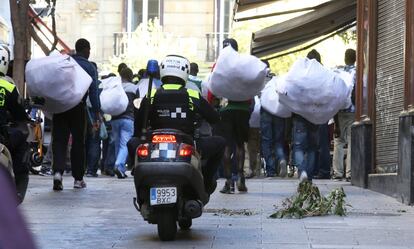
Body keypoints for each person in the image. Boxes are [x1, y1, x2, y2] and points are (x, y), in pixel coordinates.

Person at [134, 55, 225, 194]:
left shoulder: (151, 94)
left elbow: (139, 124)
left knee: (131, 143)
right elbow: (214, 118)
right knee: (220, 143)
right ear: (185, 72)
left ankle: (138, 176)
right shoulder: (192, 94)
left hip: (154, 146)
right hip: (186, 143)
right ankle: (206, 181)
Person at [51, 38, 100, 190]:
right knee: (78, 143)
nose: (90, 53)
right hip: (78, 107)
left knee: (59, 140)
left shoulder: (66, 62)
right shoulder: (89, 67)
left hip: (61, 106)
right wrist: (97, 113)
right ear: (85, 50)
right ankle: (78, 179)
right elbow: (94, 92)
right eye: (89, 50)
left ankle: (58, 173)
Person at [216, 38, 251, 194]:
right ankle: (241, 178)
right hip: (243, 109)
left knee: (226, 146)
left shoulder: (219, 65)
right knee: (240, 145)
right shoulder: (243, 64)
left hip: (226, 111)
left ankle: (229, 181)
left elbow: (212, 89)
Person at [0, 44, 31, 203]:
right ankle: (17, 192)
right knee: (21, 147)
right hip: (2, 136)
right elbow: (19, 114)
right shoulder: (8, 86)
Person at [292, 49, 323, 183]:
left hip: (300, 115)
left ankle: (302, 170)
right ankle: (308, 177)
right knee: (312, 148)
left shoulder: (301, 74)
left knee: (298, 147)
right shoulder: (322, 75)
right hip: (315, 116)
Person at [260, 60, 288, 178]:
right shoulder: (275, 78)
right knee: (278, 140)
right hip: (278, 112)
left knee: (267, 141)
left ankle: (271, 170)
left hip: (265, 111)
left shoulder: (259, 80)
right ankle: (281, 159)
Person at [332, 48, 356, 181]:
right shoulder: (357, 72)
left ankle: (337, 172)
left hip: (340, 110)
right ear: (355, 58)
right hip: (353, 111)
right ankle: (350, 173)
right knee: (352, 140)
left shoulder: (339, 72)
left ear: (345, 58)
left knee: (339, 141)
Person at [111, 67, 139, 179]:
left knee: (117, 145)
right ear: (131, 76)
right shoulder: (134, 88)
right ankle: (118, 165)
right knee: (125, 145)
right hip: (128, 119)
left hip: (115, 119)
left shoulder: (115, 87)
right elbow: (138, 104)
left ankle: (120, 169)